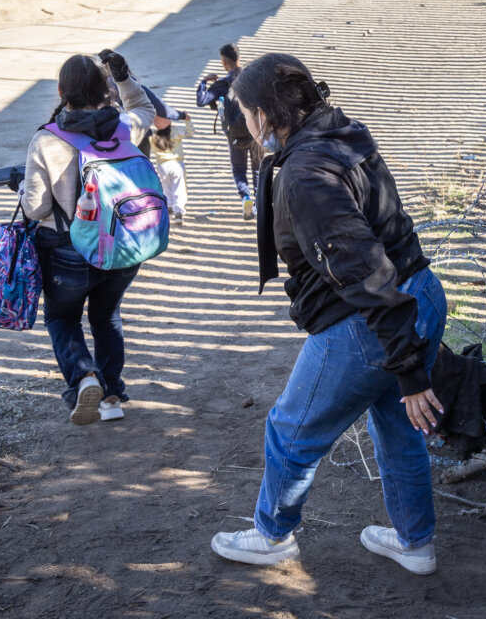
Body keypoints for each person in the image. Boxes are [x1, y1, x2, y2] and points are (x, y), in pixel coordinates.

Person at [209, 53, 448, 575]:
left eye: (245, 111)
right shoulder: (340, 129)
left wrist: (406, 368)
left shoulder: (305, 173)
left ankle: (272, 537)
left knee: (291, 429)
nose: (243, 123)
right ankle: (415, 544)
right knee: (398, 428)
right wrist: (406, 368)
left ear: (266, 115)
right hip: (420, 293)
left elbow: (364, 271)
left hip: (370, 321)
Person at [21, 50, 155, 424]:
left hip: (67, 252)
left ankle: (83, 378)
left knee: (62, 318)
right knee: (106, 317)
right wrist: (124, 76)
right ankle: (111, 398)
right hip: (122, 248)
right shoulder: (124, 126)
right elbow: (144, 105)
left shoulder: (46, 140)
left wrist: (21, 188)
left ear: (62, 90)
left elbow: (34, 208)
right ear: (107, 89)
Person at [195, 43, 262, 220]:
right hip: (256, 132)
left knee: (239, 170)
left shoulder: (222, 84)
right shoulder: (252, 78)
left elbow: (201, 101)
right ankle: (259, 203)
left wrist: (203, 82)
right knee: (258, 169)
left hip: (235, 136)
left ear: (224, 63)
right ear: (239, 57)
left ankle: (245, 197)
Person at [150, 120, 188, 226]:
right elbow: (190, 132)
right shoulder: (176, 132)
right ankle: (179, 211)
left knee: (165, 186)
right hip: (177, 163)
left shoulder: (153, 136)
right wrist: (188, 120)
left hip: (162, 165)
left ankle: (169, 206)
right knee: (179, 188)